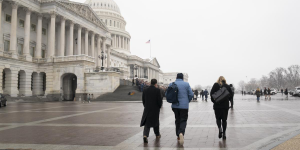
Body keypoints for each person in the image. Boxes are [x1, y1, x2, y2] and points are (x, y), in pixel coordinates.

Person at [167, 73, 193, 146]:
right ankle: (181, 132)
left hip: (175, 105)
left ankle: (178, 136)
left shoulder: (172, 84)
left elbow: (167, 94)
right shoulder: (186, 84)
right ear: (183, 78)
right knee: (183, 120)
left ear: (176, 77)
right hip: (184, 106)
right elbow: (191, 94)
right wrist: (187, 100)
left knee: (177, 119)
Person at [140, 79, 163, 143]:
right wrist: (159, 106)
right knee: (155, 121)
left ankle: (145, 135)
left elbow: (143, 99)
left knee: (147, 123)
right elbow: (159, 100)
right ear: (156, 83)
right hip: (155, 109)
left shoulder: (145, 90)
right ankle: (157, 134)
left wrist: (145, 106)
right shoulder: (157, 90)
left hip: (147, 108)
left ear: (150, 83)